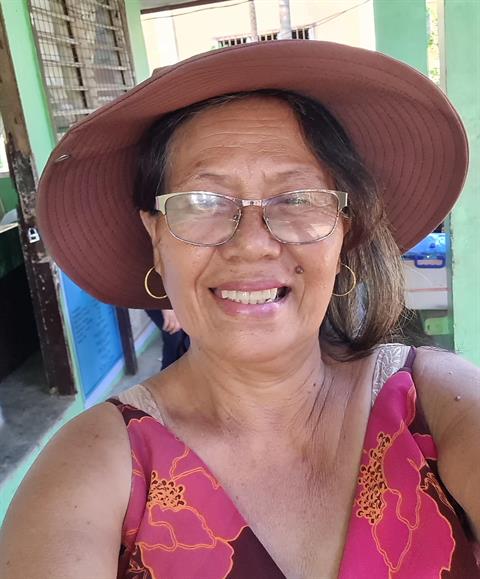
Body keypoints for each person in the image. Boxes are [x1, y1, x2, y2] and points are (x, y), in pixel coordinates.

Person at [0, 40, 479, 578]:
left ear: (343, 231)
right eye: (203, 202)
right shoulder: (93, 468)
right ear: (156, 238)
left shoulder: (438, 402)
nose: (252, 244)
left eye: (296, 199)